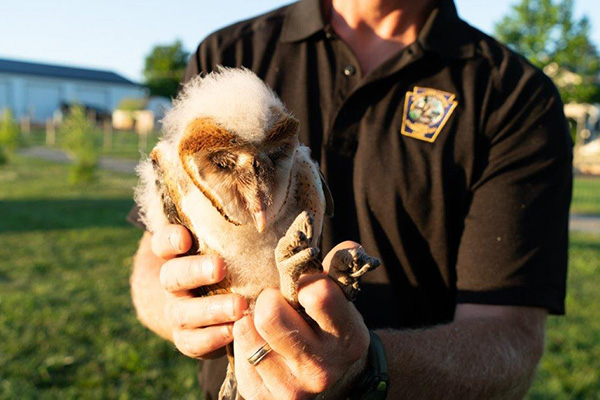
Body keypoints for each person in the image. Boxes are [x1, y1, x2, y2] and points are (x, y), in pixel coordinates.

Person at [129, 0, 573, 398]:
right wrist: (179, 309)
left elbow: (510, 342)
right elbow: (156, 256)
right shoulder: (229, 56)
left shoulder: (512, 93)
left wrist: (368, 367)